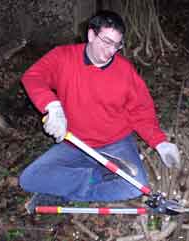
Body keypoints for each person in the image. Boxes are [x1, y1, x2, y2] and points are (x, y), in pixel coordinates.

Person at [19, 10, 180, 214]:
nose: (110, 50)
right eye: (106, 41)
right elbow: (33, 77)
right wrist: (51, 105)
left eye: (117, 45)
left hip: (115, 144)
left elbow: (141, 111)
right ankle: (94, 177)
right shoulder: (63, 57)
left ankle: (65, 189)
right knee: (29, 179)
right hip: (75, 143)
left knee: (134, 185)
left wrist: (160, 142)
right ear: (91, 35)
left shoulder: (124, 71)